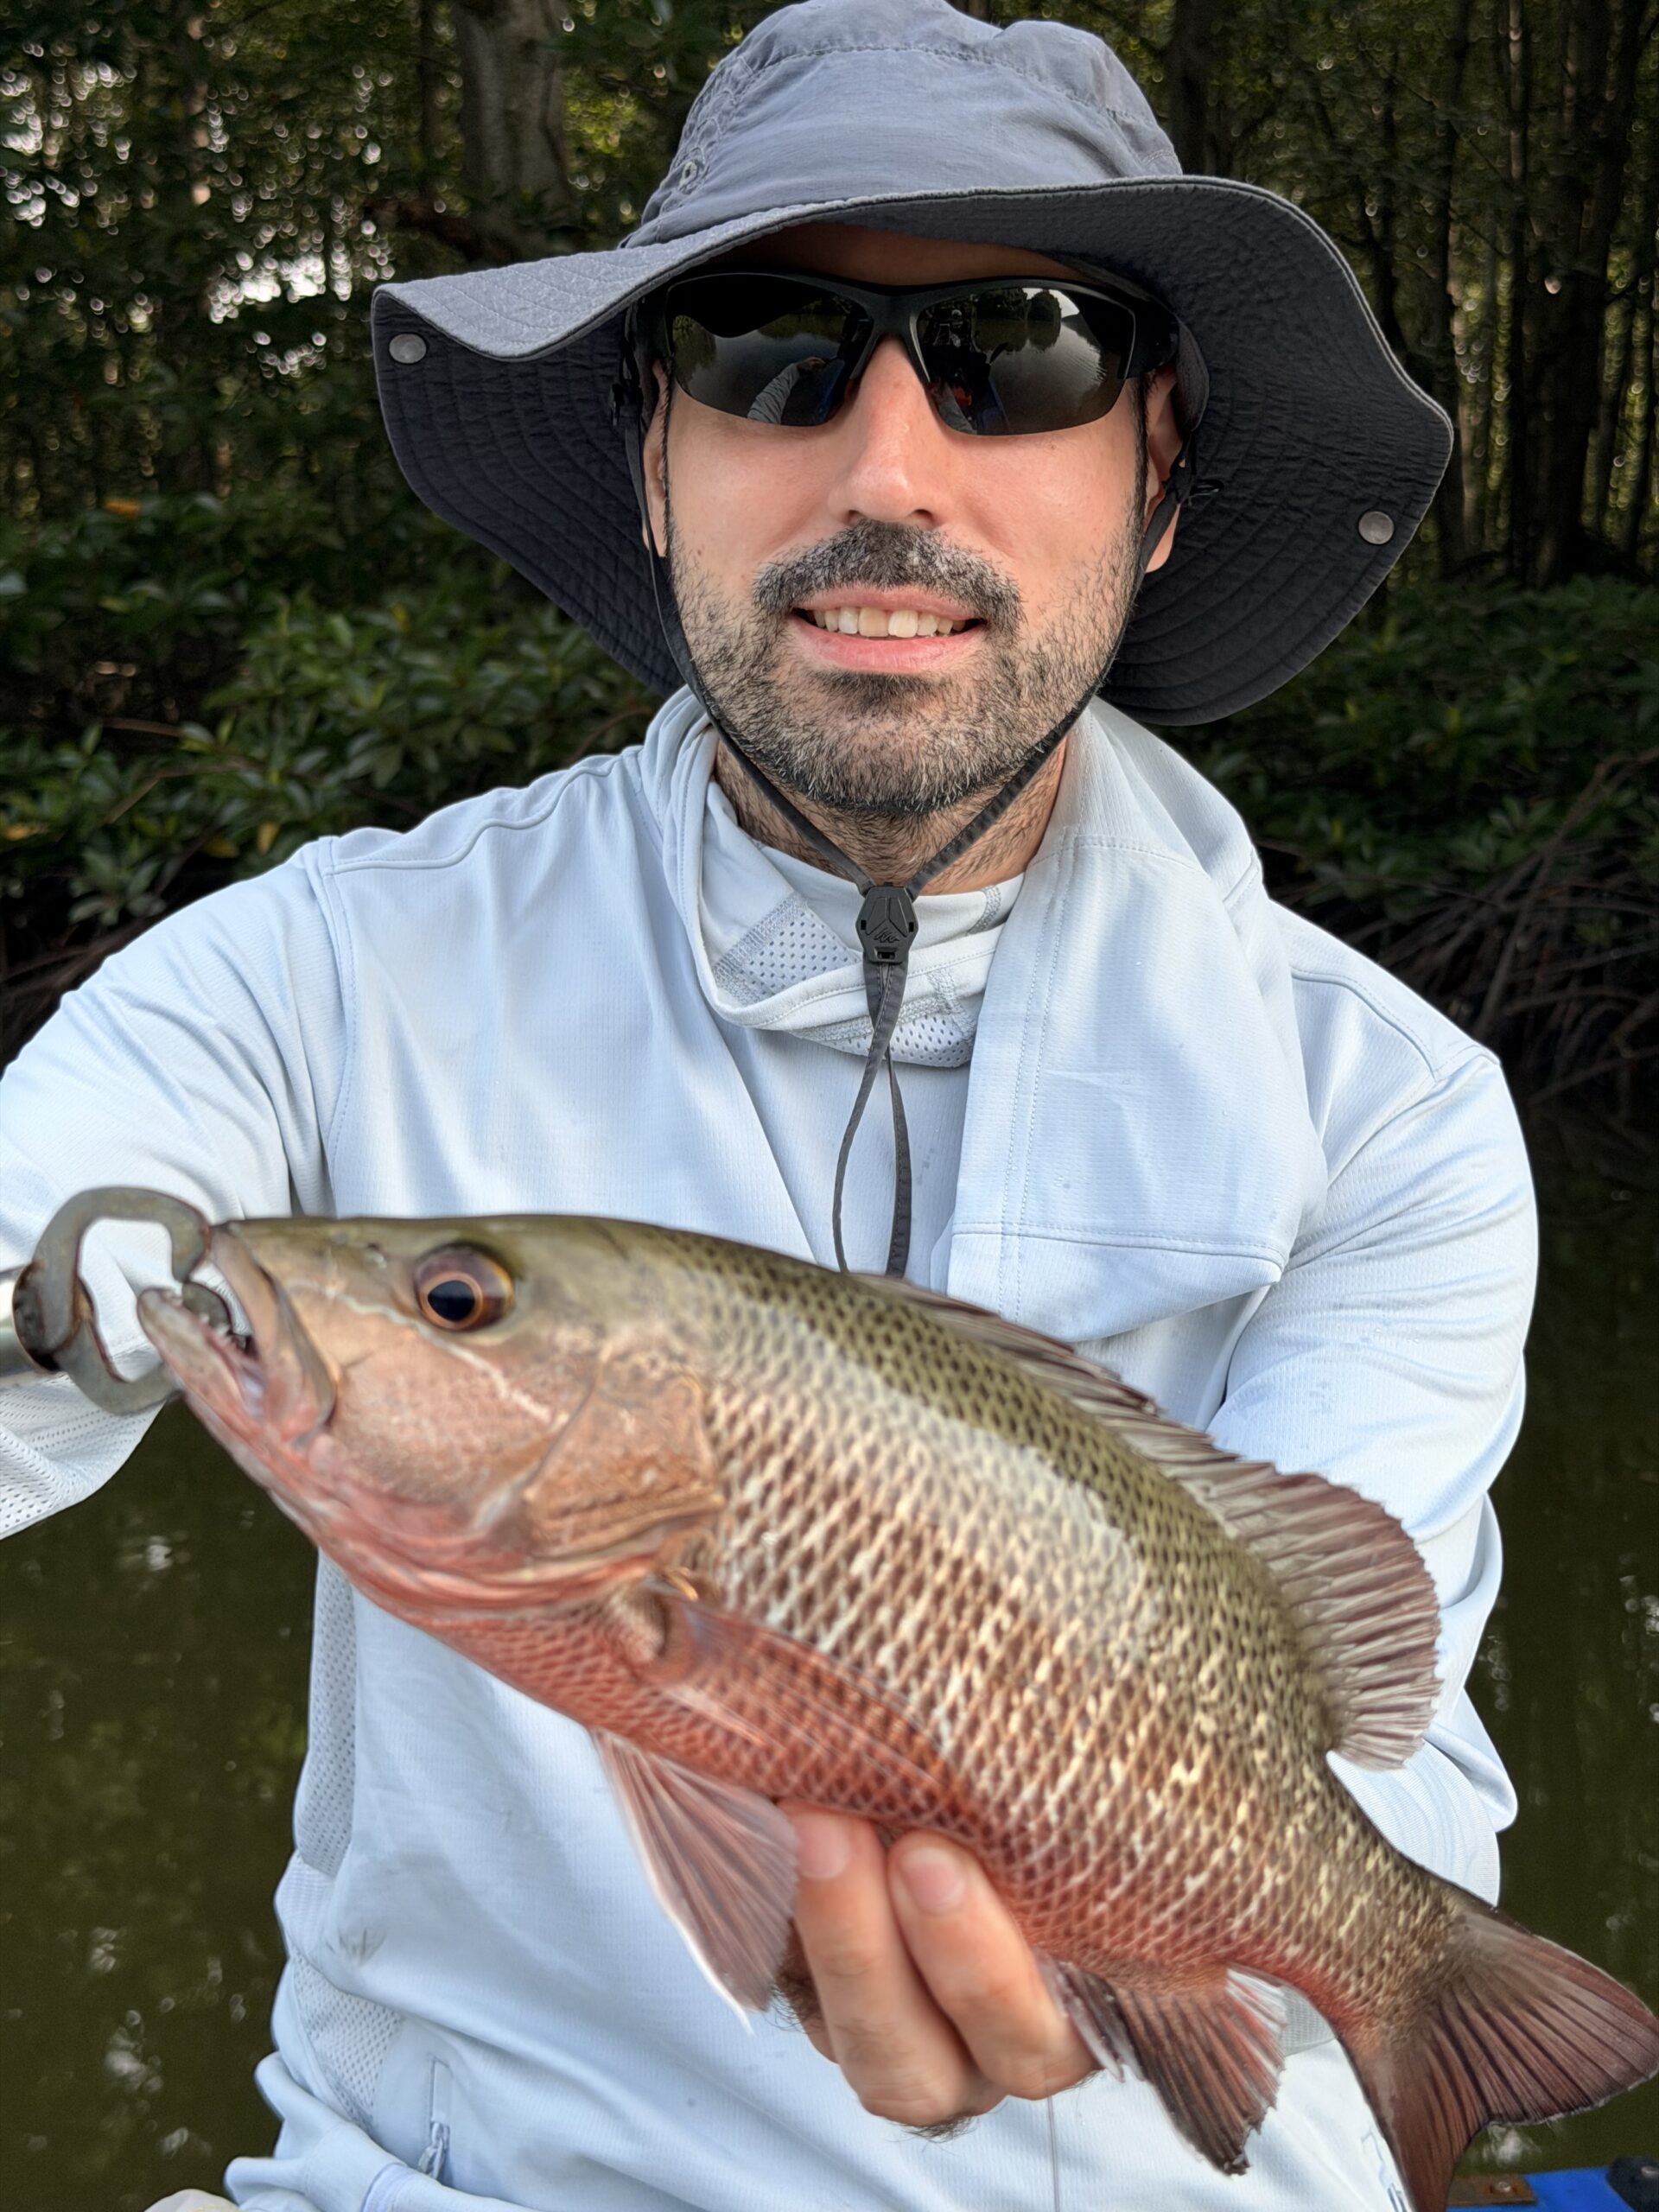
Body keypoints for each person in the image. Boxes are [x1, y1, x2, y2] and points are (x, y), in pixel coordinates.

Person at [0, 3, 1535, 2208]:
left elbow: (1360, 1730)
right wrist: (43, 1294)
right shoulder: (314, 970)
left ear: (1163, 474)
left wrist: (1277, 1981)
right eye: (765, 349)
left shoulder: (1392, 1114)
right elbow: (50, 1222)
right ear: (653, 454)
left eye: (1025, 352)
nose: (889, 471)